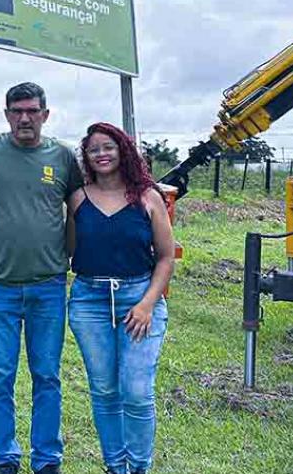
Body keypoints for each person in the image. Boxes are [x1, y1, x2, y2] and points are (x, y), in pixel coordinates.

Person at [0, 82, 83, 474]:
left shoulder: (63, 156)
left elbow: (79, 209)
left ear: (45, 114)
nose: (25, 118)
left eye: (32, 111)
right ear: (6, 114)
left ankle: (47, 459)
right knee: (0, 375)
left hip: (49, 284)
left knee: (47, 375)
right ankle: (4, 457)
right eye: (17, 111)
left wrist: (70, 254)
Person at [67, 123, 174, 474]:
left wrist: (146, 304)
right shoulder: (78, 199)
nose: (101, 154)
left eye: (108, 146)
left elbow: (166, 258)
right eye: (94, 149)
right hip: (89, 301)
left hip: (138, 299)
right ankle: (115, 467)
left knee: (137, 390)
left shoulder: (148, 197)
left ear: (123, 150)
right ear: (86, 157)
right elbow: (67, 248)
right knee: (104, 390)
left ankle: (138, 467)